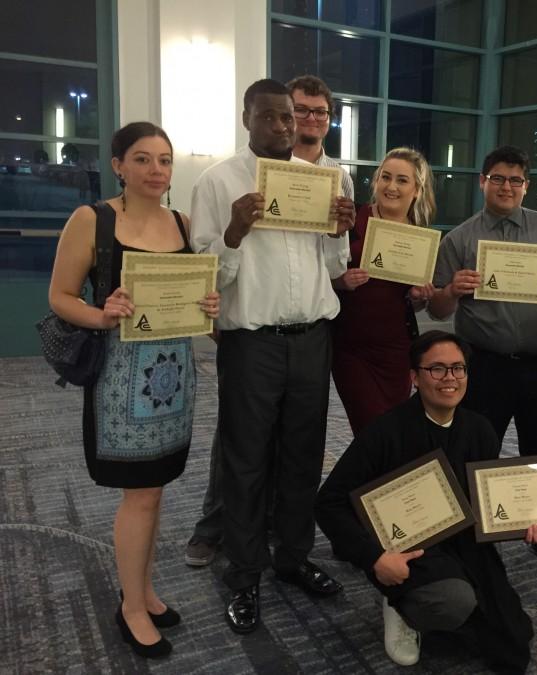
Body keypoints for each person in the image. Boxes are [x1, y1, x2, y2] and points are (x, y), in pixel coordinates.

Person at [47, 122, 220, 659]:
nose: (156, 171)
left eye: (164, 160)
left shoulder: (182, 223)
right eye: (142, 159)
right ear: (118, 164)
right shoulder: (93, 220)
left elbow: (194, 298)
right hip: (120, 379)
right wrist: (103, 313)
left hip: (175, 375)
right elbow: (59, 296)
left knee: (156, 489)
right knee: (139, 494)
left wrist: (207, 307)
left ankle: (142, 589)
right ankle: (130, 609)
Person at [190, 79, 355, 634]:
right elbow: (204, 274)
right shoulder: (217, 182)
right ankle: (243, 574)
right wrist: (236, 229)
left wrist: (340, 230)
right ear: (247, 119)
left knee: (304, 456)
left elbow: (333, 267)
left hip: (312, 339)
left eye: (289, 117)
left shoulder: (322, 180)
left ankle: (293, 557)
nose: (284, 127)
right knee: (246, 460)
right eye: (271, 118)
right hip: (250, 344)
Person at [316, 330, 537, 672]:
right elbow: (328, 503)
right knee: (455, 604)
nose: (449, 378)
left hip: (464, 543)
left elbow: (486, 504)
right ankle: (399, 606)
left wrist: (522, 522)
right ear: (414, 377)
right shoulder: (385, 433)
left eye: (458, 368)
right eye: (436, 369)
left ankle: (430, 596)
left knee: (514, 635)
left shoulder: (480, 430)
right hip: (408, 549)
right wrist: (375, 558)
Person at [429, 145, 537, 575]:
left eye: (515, 180)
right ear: (482, 182)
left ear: (526, 186)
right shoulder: (459, 239)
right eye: (497, 178)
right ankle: (471, 536)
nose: (506, 186)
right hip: (484, 366)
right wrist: (453, 290)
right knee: (477, 453)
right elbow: (437, 309)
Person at [331, 147, 437, 435]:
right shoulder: (351, 219)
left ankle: (382, 481)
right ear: (376, 182)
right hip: (351, 348)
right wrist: (340, 282)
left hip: (396, 351)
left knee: (392, 429)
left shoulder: (419, 237)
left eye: (402, 180)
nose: (392, 187)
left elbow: (411, 302)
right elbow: (319, 274)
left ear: (416, 190)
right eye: (385, 177)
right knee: (370, 429)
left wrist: (418, 297)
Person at [287, 74, 354, 201]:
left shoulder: (342, 178)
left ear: (330, 118)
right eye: (301, 109)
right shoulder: (267, 170)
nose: (312, 118)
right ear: (286, 115)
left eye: (320, 112)